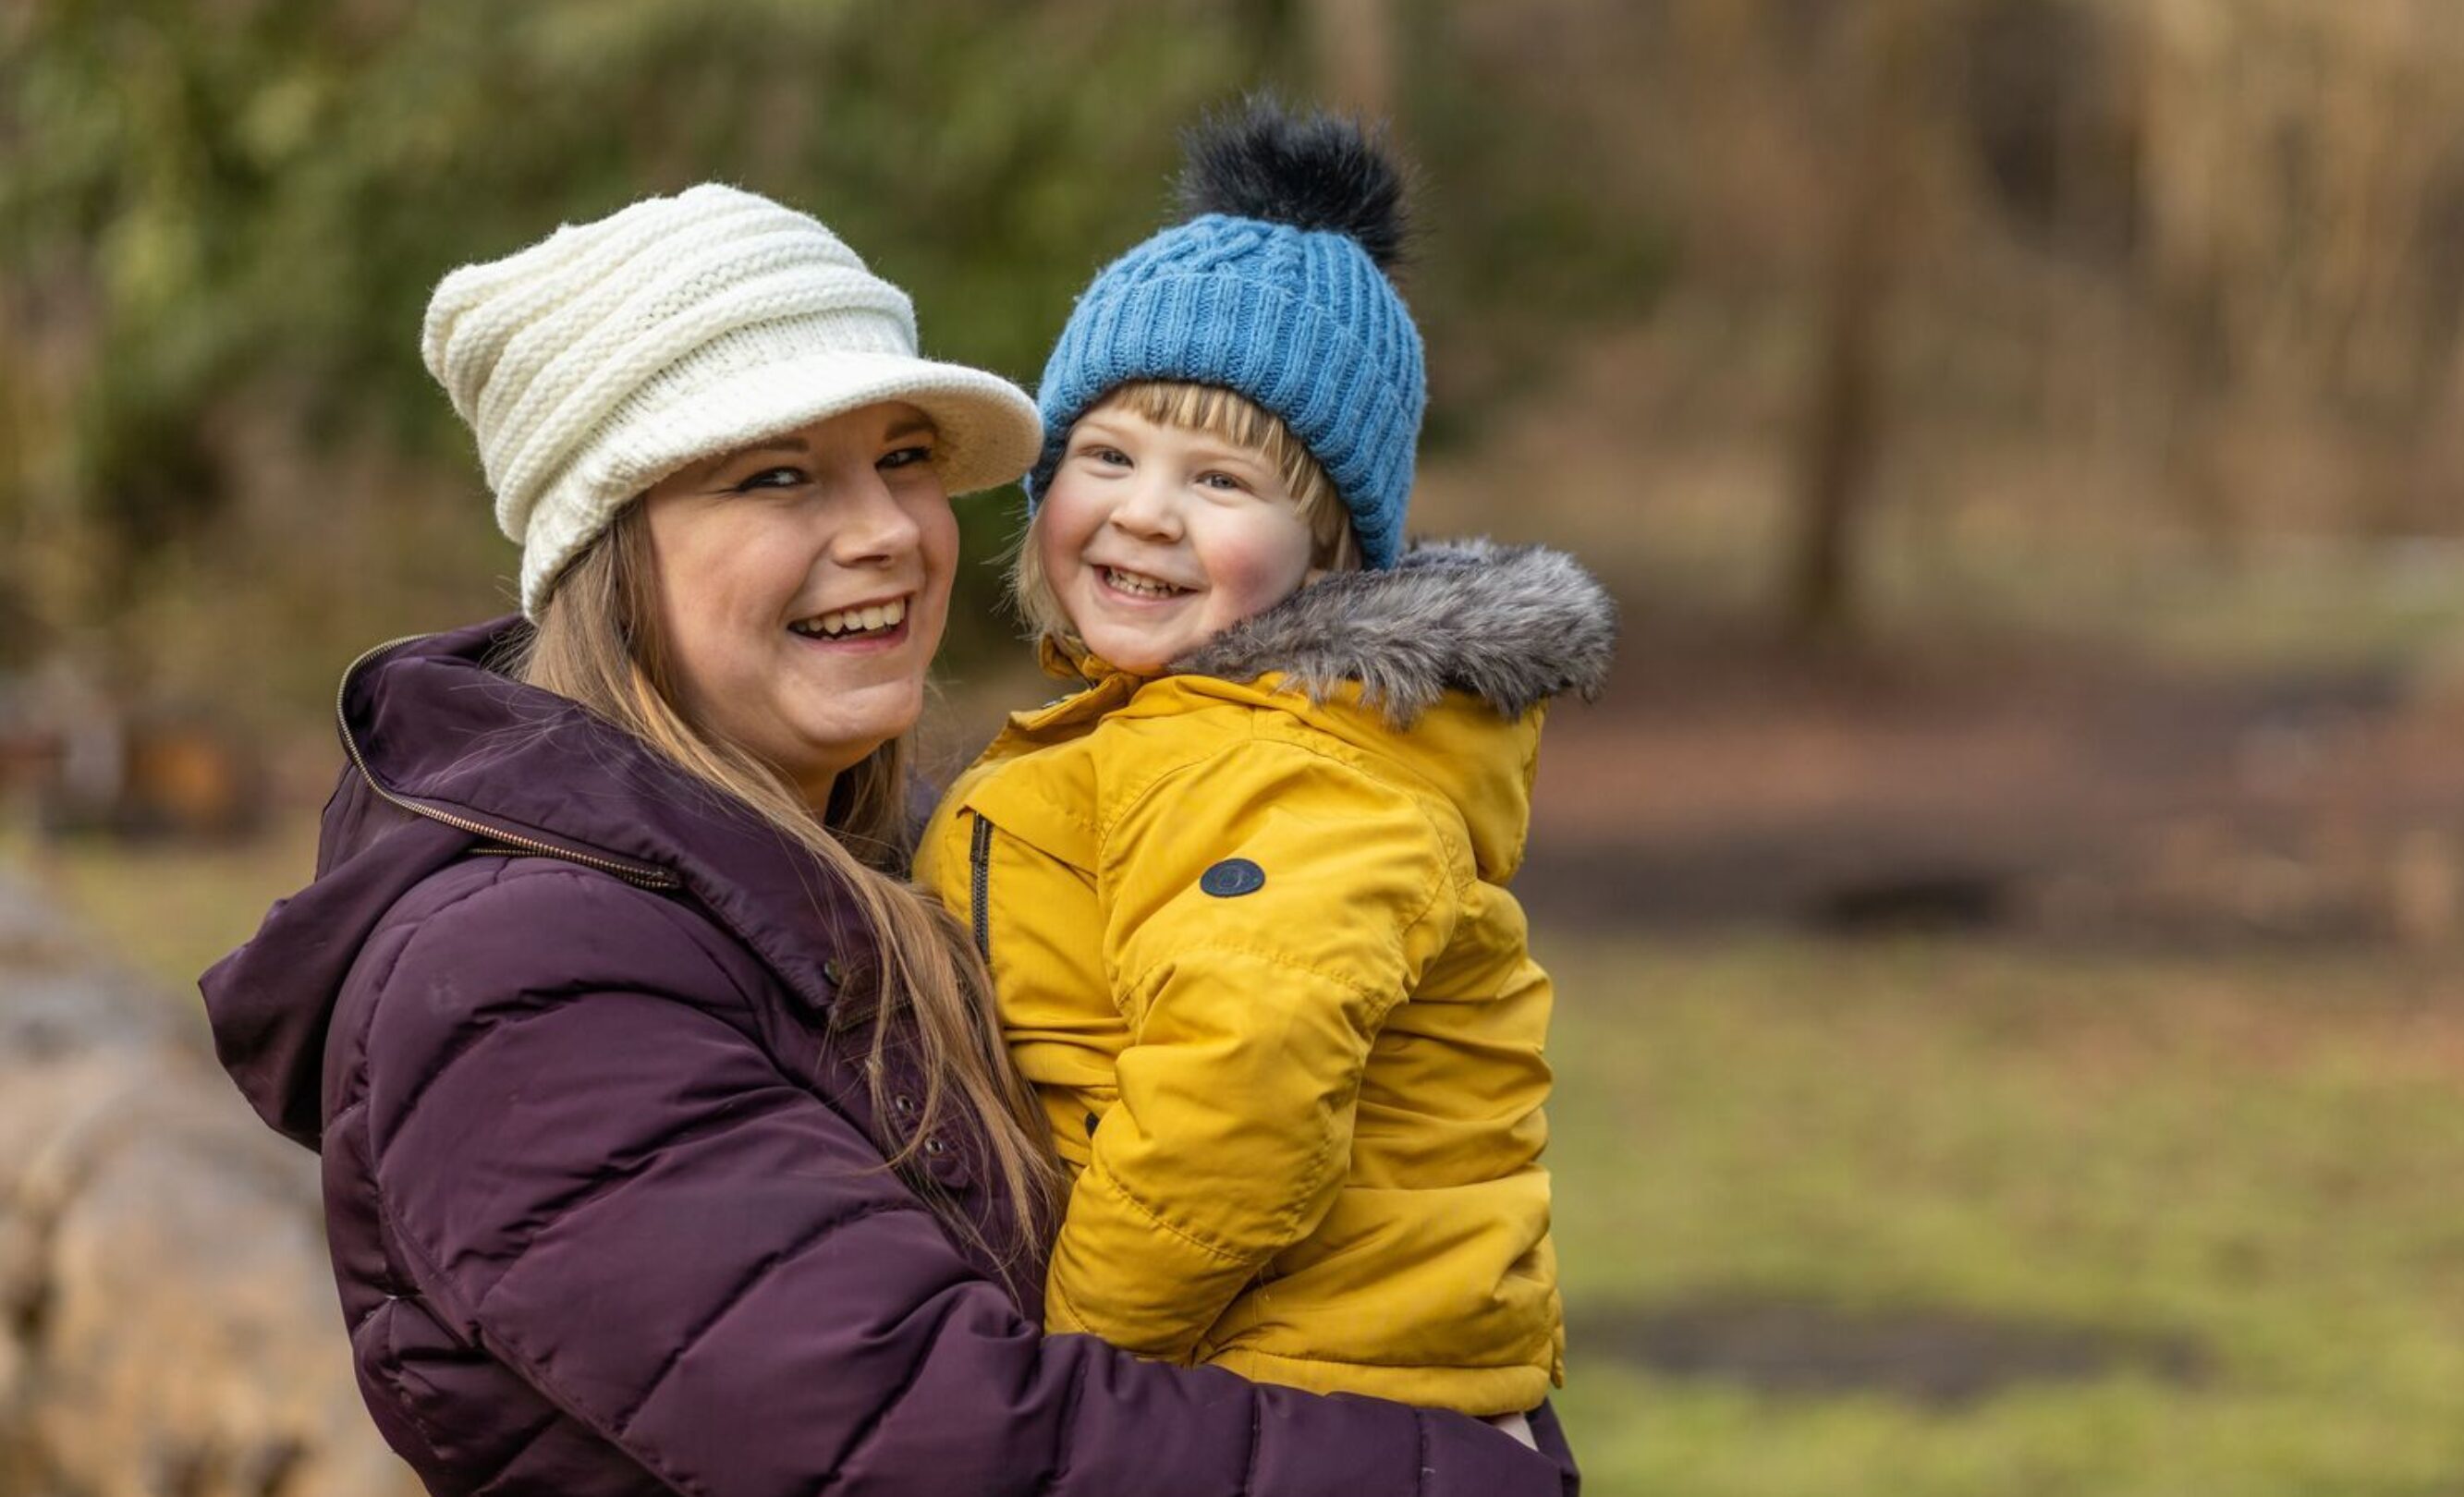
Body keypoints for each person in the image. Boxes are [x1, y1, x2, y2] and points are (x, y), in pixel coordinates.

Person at [199, 183, 1568, 1495]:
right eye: (778, 476)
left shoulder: (884, 864)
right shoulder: (521, 979)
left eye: (903, 460)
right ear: (612, 553)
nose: (885, 534)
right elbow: (929, 1441)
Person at [912, 103, 1612, 1443]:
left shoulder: (1303, 773)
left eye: (1222, 480)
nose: (1146, 510)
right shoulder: (1147, 733)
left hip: (1326, 1403)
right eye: (1106, 455)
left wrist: (1058, 1377)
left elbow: (1237, 1108)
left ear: (1330, 549)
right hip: (1248, 1387)